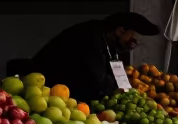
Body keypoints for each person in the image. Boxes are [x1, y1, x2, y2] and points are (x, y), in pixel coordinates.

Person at [29, 12, 160, 101]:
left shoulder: (109, 40)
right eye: (133, 38)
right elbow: (96, 78)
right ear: (120, 30)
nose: (134, 44)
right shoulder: (91, 37)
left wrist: (127, 89)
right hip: (47, 92)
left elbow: (112, 71)